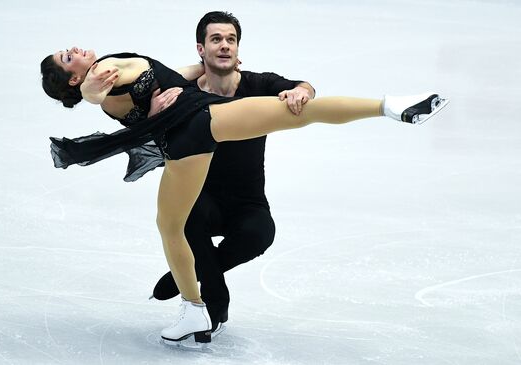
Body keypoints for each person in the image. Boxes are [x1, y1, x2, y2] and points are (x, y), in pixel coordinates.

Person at [40, 42, 448, 346]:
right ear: (74, 78)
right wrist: (95, 89)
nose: (73, 49)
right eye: (67, 57)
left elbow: (143, 87)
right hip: (205, 121)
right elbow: (101, 89)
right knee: (301, 114)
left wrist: (167, 86)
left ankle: (193, 308)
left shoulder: (106, 97)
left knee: (170, 227)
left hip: (183, 143)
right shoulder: (105, 69)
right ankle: (389, 106)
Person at [145, 11, 316, 335]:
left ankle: (193, 272)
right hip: (202, 197)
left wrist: (302, 91)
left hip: (246, 200)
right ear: (201, 49)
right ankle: (214, 296)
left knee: (261, 234)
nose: (224, 45)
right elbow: (154, 132)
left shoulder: (259, 85)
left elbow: (301, 86)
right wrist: (154, 114)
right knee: (186, 216)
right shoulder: (183, 93)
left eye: (231, 40)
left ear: (238, 49)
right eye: (216, 39)